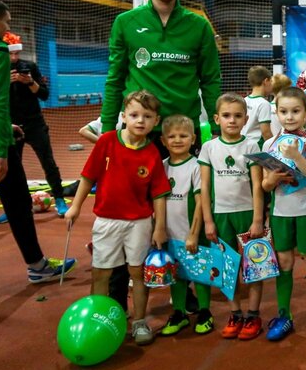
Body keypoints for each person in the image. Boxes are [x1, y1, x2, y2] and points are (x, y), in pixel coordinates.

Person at [0, 0, 77, 299]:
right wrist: (1, 148)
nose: (7, 28)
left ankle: (38, 265)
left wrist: (4, 126)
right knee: (18, 205)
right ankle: (38, 266)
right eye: (6, 21)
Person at [64, 90, 169, 346]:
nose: (140, 121)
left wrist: (159, 227)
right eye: (134, 115)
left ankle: (140, 321)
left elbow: (158, 194)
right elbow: (88, 176)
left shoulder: (152, 153)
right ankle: (97, 321)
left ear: (156, 121)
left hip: (139, 222)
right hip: (107, 220)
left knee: (138, 272)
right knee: (101, 273)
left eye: (147, 116)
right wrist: (75, 207)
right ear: (123, 116)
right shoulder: (107, 141)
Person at [100, 0, 221, 140]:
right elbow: (115, 79)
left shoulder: (200, 26)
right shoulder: (125, 22)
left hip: (184, 131)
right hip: (139, 131)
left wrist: (217, 128)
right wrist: (107, 130)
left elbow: (210, 80)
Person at [260, 87, 306, 341]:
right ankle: (284, 315)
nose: (289, 116)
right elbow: (265, 186)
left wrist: (295, 156)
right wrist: (272, 179)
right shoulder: (269, 144)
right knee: (284, 263)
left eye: (295, 111)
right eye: (283, 111)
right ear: (276, 113)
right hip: (280, 212)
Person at [198, 93, 266, 340]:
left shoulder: (251, 146)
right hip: (220, 216)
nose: (232, 120)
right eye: (226, 116)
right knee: (227, 269)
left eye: (238, 116)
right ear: (217, 119)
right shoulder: (209, 148)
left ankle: (253, 314)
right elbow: (204, 187)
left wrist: (257, 219)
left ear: (246, 119)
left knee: (255, 268)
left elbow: (257, 185)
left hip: (247, 214)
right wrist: (208, 221)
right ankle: (235, 313)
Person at [0, 32, 67, 222]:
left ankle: (60, 199)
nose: (14, 58)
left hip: (34, 123)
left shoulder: (30, 67)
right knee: (12, 169)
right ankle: (14, 208)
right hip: (10, 125)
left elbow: (44, 94)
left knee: (48, 162)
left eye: (16, 54)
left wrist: (30, 82)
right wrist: (5, 82)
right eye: (10, 54)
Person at [157, 115, 213, 336]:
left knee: (200, 273)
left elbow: (200, 202)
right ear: (163, 141)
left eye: (183, 135)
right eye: (172, 136)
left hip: (192, 233)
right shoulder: (161, 167)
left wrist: (193, 233)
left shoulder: (197, 166)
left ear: (193, 139)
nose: (178, 140)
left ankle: (205, 312)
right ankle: (179, 313)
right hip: (170, 234)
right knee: (176, 275)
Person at [243, 65, 273, 149]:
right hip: (257, 146)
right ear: (266, 81)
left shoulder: (244, 100)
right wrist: (274, 148)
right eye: (271, 82)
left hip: (243, 144)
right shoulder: (264, 104)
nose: (272, 85)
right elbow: (265, 132)